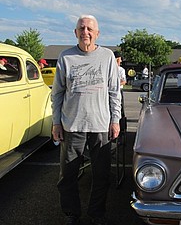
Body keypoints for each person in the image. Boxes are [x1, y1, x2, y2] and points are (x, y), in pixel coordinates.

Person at [51, 14, 121, 225]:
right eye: (81, 28)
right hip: (72, 125)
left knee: (101, 176)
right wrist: (56, 122)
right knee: (67, 176)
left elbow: (114, 91)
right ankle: (72, 214)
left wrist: (115, 119)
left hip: (100, 125)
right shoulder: (66, 57)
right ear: (75, 32)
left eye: (90, 29)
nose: (85, 32)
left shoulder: (107, 56)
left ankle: (96, 214)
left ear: (97, 33)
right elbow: (57, 93)